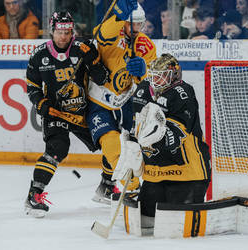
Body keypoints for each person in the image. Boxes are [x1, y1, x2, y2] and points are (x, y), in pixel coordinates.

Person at [24, 11, 109, 218]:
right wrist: (41, 104)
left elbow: (102, 78)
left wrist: (94, 59)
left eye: (68, 32)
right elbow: (32, 86)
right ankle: (34, 195)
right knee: (57, 149)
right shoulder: (39, 55)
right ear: (52, 31)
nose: (64, 36)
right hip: (56, 113)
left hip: (82, 112)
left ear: (73, 31)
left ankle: (107, 186)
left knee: (109, 141)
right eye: (60, 32)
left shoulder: (82, 49)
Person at [113, 53, 211, 228]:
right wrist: (132, 147)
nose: (156, 80)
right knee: (145, 222)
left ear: (174, 74)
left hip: (188, 173)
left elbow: (174, 138)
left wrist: (146, 141)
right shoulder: (143, 90)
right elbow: (137, 126)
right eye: (154, 75)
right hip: (155, 175)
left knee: (176, 224)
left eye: (162, 75)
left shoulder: (183, 93)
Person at [87, 1, 157, 204]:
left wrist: (143, 73)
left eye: (140, 25)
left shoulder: (145, 44)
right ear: (125, 23)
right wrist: (117, 16)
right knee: (110, 142)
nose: (138, 29)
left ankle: (106, 186)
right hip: (98, 100)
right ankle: (132, 186)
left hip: (126, 101)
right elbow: (102, 35)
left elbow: (152, 81)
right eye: (134, 24)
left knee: (130, 145)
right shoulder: (112, 35)